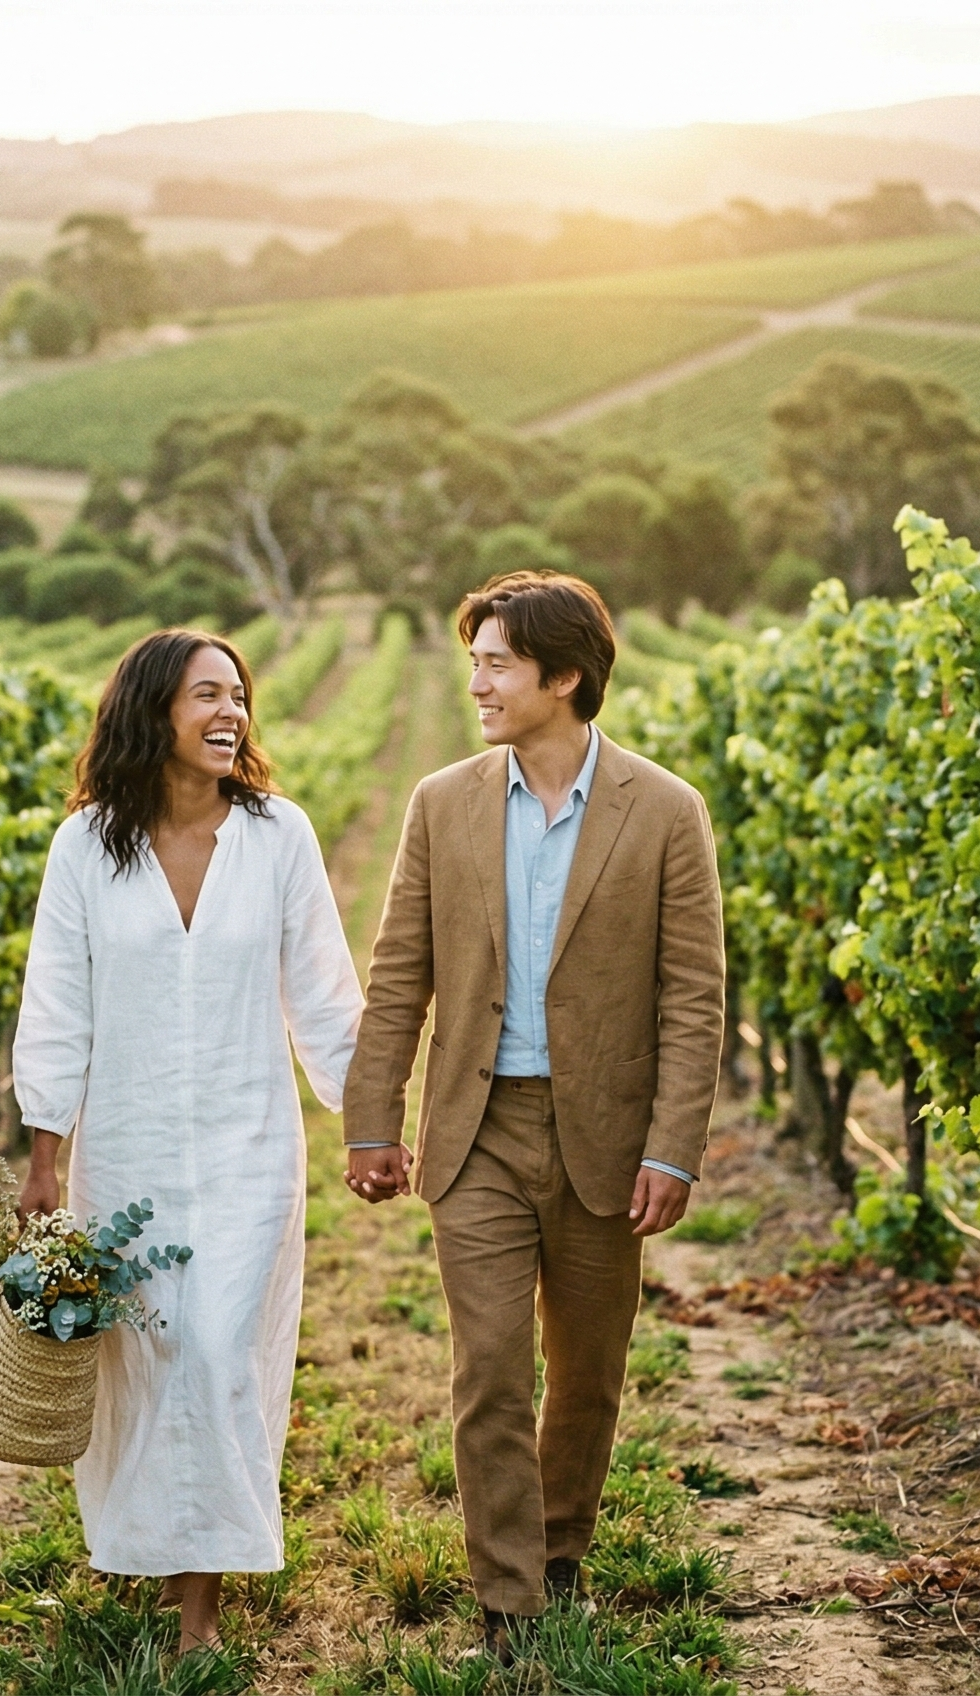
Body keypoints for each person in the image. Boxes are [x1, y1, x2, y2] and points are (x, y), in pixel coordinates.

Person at [341, 571, 724, 1657]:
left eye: (495, 661)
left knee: (590, 1373)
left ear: (564, 676)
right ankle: (507, 1603)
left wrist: (672, 1147)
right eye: (473, 661)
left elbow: (693, 997)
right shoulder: (439, 801)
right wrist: (373, 1118)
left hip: (605, 1135)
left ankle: (560, 1556)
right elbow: (398, 972)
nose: (475, 682)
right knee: (491, 1369)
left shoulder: (664, 810)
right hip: (476, 1133)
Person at [11, 628, 364, 1655]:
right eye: (207, 694)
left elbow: (323, 990)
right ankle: (155, 1553)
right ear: (152, 708)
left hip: (250, 1143)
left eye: (239, 696)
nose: (230, 713)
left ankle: (201, 1605)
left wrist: (369, 1122)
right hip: (126, 1147)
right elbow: (55, 1004)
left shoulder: (277, 833)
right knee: (144, 1351)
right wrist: (45, 1155)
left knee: (216, 1348)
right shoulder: (85, 846)